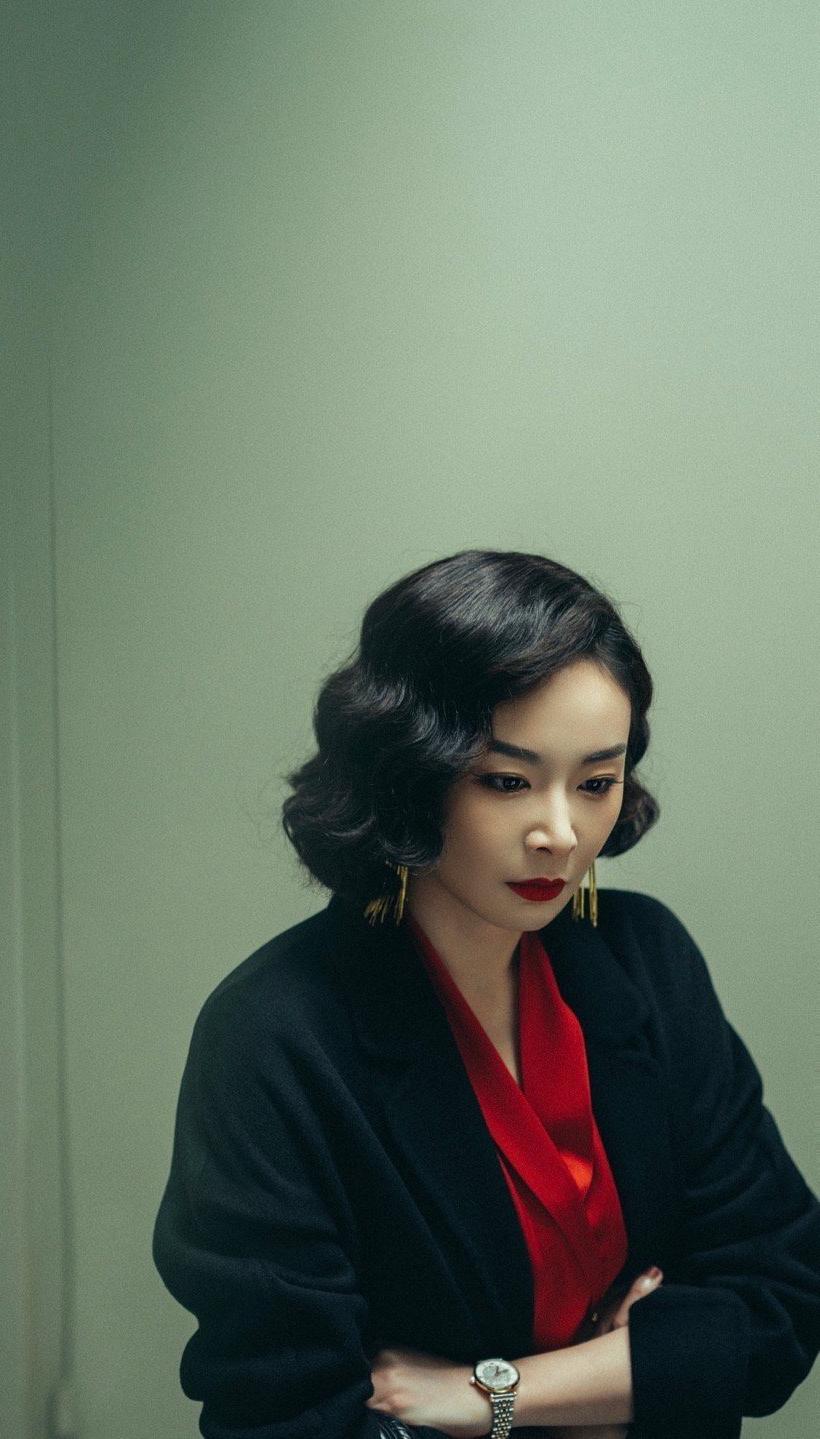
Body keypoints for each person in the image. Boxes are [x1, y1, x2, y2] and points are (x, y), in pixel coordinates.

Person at [152, 548, 820, 1438]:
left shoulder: (647, 959)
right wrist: (635, 1379)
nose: (560, 832)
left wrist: (489, 1396)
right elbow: (289, 1415)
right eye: (507, 781)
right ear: (410, 771)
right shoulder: (275, 1034)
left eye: (597, 782)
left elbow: (782, 1297)